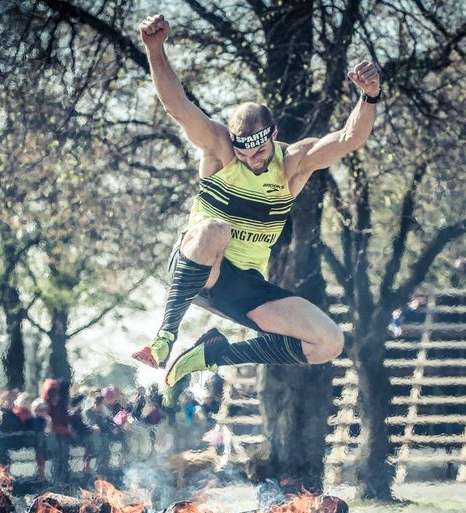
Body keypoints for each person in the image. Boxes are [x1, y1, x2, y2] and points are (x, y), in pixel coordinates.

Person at [132, 13, 381, 388]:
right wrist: (155, 50)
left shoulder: (293, 164)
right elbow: (177, 105)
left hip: (242, 286)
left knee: (329, 342)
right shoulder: (218, 150)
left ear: (274, 135)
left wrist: (369, 95)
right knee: (215, 228)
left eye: (259, 150)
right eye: (243, 152)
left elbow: (348, 138)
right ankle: (166, 335)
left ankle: (213, 354)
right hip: (201, 266)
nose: (251, 158)